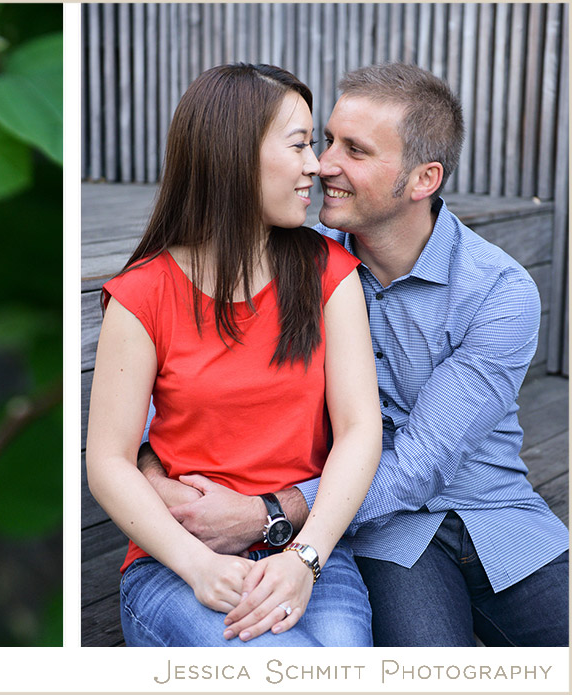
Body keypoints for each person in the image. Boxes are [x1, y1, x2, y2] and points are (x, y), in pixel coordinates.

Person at [139, 62, 570, 647]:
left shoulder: (500, 291)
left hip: (497, 514)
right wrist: (151, 473)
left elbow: (420, 465)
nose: (324, 165)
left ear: (423, 180)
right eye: (325, 140)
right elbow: (174, 379)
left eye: (356, 151)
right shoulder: (299, 265)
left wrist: (270, 511)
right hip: (383, 535)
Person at [85, 63, 382, 647]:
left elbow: (359, 429)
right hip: (178, 562)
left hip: (309, 553)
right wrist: (199, 567)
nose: (316, 165)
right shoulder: (143, 294)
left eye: (312, 145)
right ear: (234, 155)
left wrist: (305, 558)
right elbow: (108, 462)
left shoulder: (330, 273)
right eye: (298, 145)